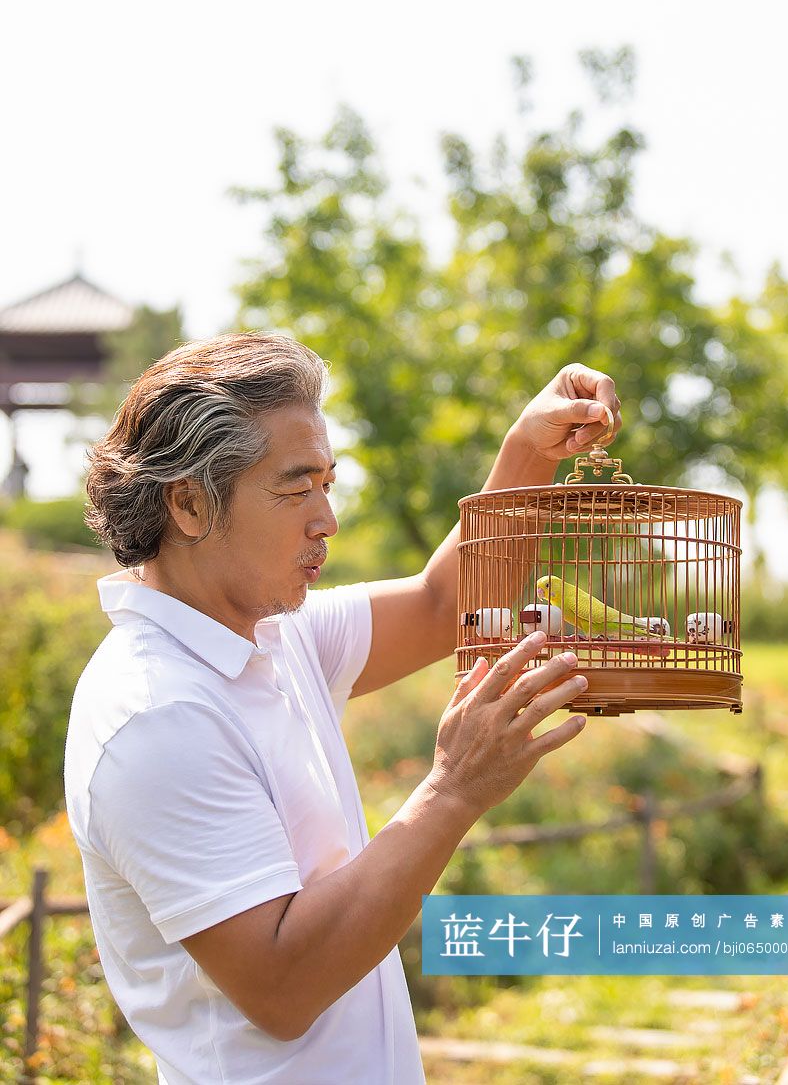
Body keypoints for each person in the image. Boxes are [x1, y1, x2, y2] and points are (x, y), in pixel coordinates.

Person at [63, 332, 621, 1085]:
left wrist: (531, 449)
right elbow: (283, 985)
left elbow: (446, 603)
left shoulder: (268, 634)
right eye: (296, 488)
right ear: (190, 502)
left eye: (328, 482)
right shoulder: (157, 715)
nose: (326, 518)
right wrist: (453, 790)